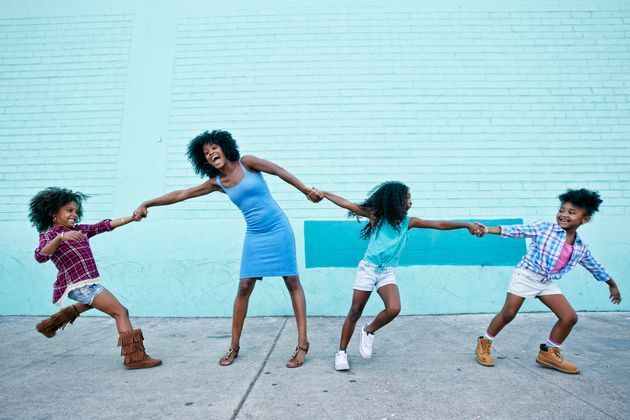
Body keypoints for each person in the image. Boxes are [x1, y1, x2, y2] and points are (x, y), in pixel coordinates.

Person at [134, 130, 321, 368]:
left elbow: (278, 170)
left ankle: (302, 344)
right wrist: (147, 202)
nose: (211, 153)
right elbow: (182, 194)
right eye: (206, 152)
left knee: (292, 282)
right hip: (255, 235)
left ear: (224, 147)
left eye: (214, 147)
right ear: (204, 160)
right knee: (244, 287)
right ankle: (234, 345)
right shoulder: (218, 183)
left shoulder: (248, 163)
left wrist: (306, 190)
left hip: (278, 229)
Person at [321, 181, 485, 371]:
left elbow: (438, 224)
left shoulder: (409, 222)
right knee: (355, 311)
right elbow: (348, 204)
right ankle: (341, 352)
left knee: (394, 308)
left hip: (386, 271)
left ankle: (369, 330)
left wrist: (466, 224)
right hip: (368, 268)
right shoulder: (377, 216)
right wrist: (324, 193)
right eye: (408, 198)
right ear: (396, 201)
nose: (410, 203)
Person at [475, 188, 621, 374]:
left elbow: (594, 266)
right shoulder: (545, 228)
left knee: (569, 317)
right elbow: (517, 231)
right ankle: (484, 343)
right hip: (526, 275)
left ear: (584, 220)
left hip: (545, 282)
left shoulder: (580, 247)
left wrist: (612, 284)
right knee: (509, 314)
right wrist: (487, 230)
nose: (564, 215)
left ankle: (549, 353)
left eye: (571, 212)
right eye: (562, 210)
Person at [30, 187, 161, 369]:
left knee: (94, 304)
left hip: (88, 284)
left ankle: (50, 325)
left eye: (76, 211)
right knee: (120, 312)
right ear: (53, 213)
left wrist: (132, 217)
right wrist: (60, 237)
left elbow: (104, 226)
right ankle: (135, 358)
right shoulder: (49, 236)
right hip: (80, 286)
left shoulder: (81, 230)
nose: (74, 215)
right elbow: (40, 256)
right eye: (69, 211)